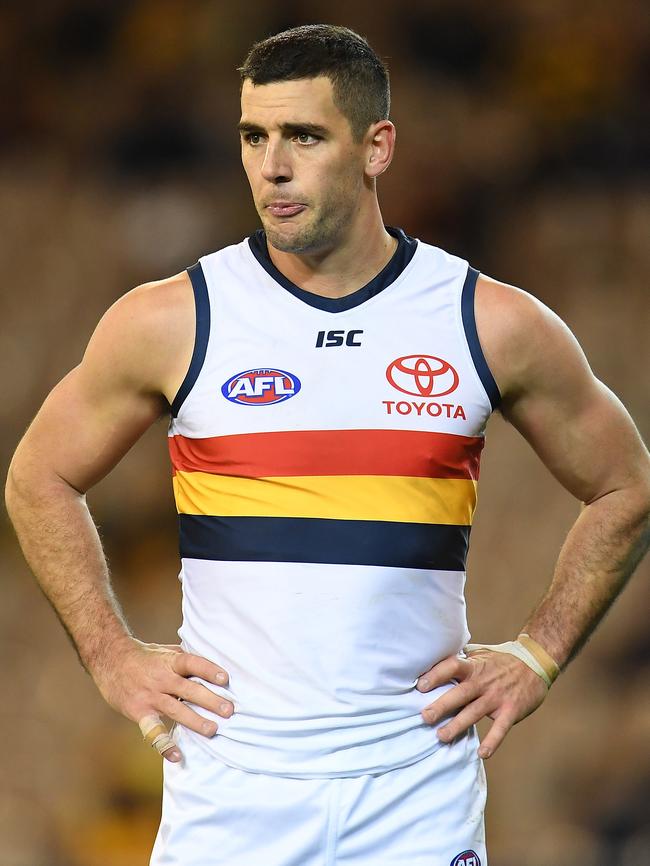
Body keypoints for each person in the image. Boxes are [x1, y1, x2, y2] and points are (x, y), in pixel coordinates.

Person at [5, 23, 650, 866]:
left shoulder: (488, 321)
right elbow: (36, 477)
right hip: (230, 794)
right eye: (254, 137)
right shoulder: (172, 319)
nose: (272, 165)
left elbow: (626, 488)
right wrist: (110, 655)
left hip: (414, 796)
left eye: (304, 136)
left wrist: (538, 653)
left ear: (377, 146)